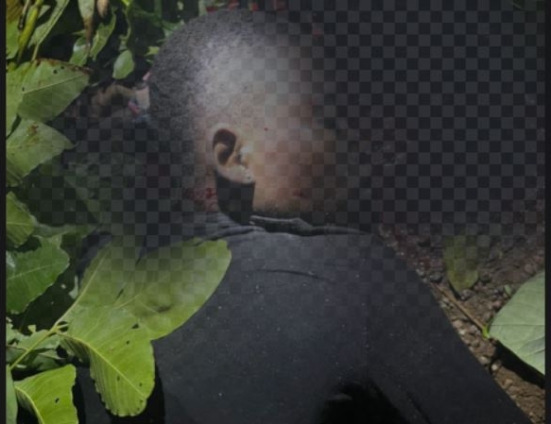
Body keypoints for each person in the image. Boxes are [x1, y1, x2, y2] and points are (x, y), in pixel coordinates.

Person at [75, 9, 532, 424]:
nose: (367, 147)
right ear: (233, 156)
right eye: (330, 121)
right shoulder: (352, 280)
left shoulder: (92, 280)